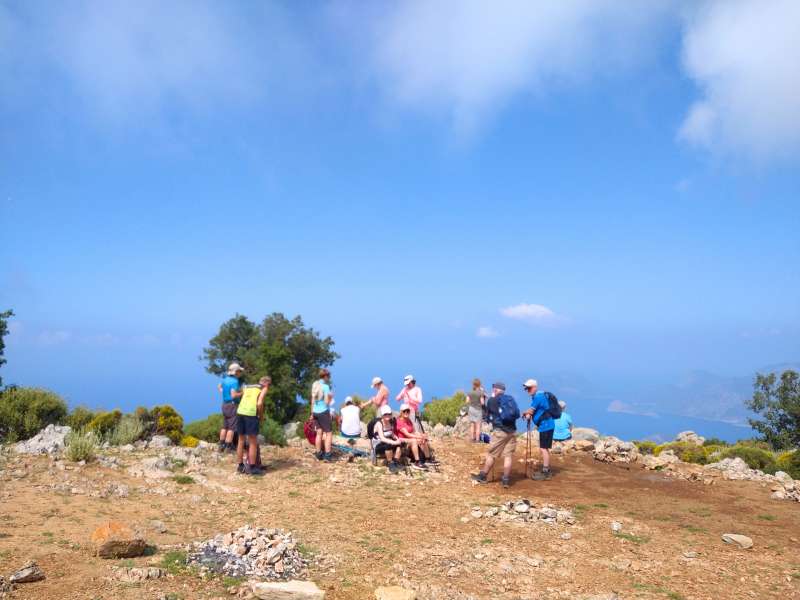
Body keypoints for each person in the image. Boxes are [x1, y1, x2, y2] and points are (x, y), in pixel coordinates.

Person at [471, 383, 520, 488]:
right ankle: (505, 480)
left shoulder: (492, 400)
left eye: (493, 388)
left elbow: (488, 414)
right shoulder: (510, 399)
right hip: (512, 431)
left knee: (491, 454)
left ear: (495, 390)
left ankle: (483, 475)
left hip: (500, 431)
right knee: (508, 455)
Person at [236, 376, 270, 475]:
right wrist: (260, 415)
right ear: (267, 383)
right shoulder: (264, 388)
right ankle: (252, 467)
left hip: (240, 412)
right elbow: (259, 403)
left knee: (241, 440)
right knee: (253, 441)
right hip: (251, 414)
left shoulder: (248, 386)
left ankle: (240, 466)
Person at [522, 378, 555, 480]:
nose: (528, 390)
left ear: (535, 387)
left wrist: (524, 413)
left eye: (529, 388)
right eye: (527, 388)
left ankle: (546, 472)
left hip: (546, 426)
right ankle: (546, 469)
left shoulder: (538, 397)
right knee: (544, 448)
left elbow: (531, 411)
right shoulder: (539, 395)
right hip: (547, 425)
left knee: (543, 448)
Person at [395, 404, 438, 470]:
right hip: (402, 439)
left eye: (408, 411)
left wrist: (421, 435)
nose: (406, 412)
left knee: (423, 440)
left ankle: (427, 459)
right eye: (404, 411)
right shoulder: (399, 422)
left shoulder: (408, 420)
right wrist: (418, 437)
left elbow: (414, 431)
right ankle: (417, 462)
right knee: (414, 440)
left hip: (409, 438)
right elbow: (407, 434)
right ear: (401, 412)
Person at [218, 363, 244, 452]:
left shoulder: (225, 379)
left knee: (224, 426)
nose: (240, 372)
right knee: (231, 428)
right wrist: (242, 393)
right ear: (236, 372)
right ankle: (228, 447)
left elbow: (219, 387)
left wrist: (225, 393)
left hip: (224, 404)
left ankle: (221, 445)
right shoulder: (235, 381)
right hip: (232, 405)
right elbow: (233, 395)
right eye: (239, 371)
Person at [311, 368, 334, 461]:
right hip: (323, 411)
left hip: (315, 411)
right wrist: (331, 397)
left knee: (319, 432)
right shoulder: (325, 387)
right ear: (325, 376)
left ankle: (318, 453)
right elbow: (326, 403)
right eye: (328, 376)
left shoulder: (315, 384)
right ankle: (327, 455)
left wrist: (312, 413)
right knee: (328, 433)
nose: (329, 378)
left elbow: (312, 399)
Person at [373, 404, 402, 473]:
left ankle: (396, 461)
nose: (387, 416)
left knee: (400, 444)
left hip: (386, 443)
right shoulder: (379, 424)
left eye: (389, 414)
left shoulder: (390, 422)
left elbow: (392, 434)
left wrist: (397, 439)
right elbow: (382, 438)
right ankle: (390, 463)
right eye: (385, 414)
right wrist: (394, 442)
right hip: (378, 445)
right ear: (382, 415)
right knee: (388, 444)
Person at [464, 378, 486, 442]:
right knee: (478, 425)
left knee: (472, 425)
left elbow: (467, 401)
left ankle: (472, 439)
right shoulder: (480, 393)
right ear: (479, 385)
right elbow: (482, 403)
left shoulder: (469, 392)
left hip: (471, 409)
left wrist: (472, 401)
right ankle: (477, 440)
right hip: (478, 410)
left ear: (473, 384)